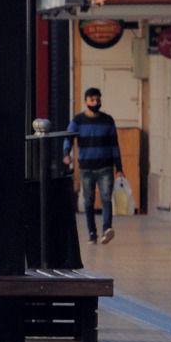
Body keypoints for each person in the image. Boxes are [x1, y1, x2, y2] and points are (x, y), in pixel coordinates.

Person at [63, 87, 124, 245]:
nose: (96, 103)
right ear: (86, 101)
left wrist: (119, 168)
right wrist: (66, 154)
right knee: (88, 200)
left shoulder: (108, 121)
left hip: (105, 167)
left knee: (106, 198)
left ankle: (106, 230)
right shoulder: (78, 121)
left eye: (98, 100)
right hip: (86, 168)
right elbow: (68, 138)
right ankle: (92, 233)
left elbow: (114, 145)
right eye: (92, 100)